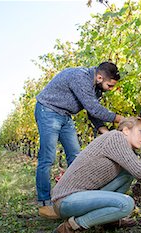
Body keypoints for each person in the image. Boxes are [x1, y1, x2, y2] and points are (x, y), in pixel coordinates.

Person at [35, 62, 125, 218]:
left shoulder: (96, 88)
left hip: (65, 115)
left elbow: (93, 114)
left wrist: (104, 131)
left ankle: (72, 195)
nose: (111, 89)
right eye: (110, 85)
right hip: (48, 110)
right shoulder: (80, 77)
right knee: (48, 158)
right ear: (99, 77)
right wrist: (122, 120)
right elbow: (94, 109)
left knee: (76, 156)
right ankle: (44, 204)